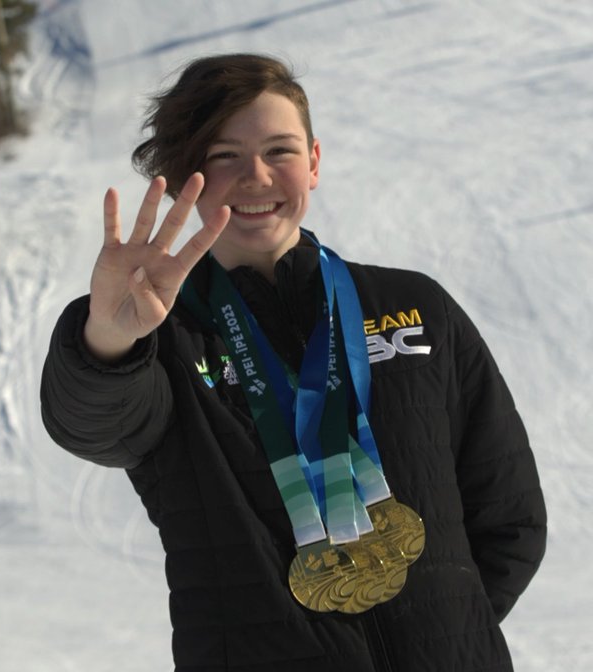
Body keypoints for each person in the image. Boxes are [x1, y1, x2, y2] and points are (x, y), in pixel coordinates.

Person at [40, 53, 547, 672]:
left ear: (313, 162)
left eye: (279, 150)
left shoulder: (415, 308)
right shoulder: (165, 340)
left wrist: (446, 634)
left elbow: (510, 517)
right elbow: (93, 426)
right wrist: (108, 341)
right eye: (225, 155)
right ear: (185, 175)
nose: (256, 176)